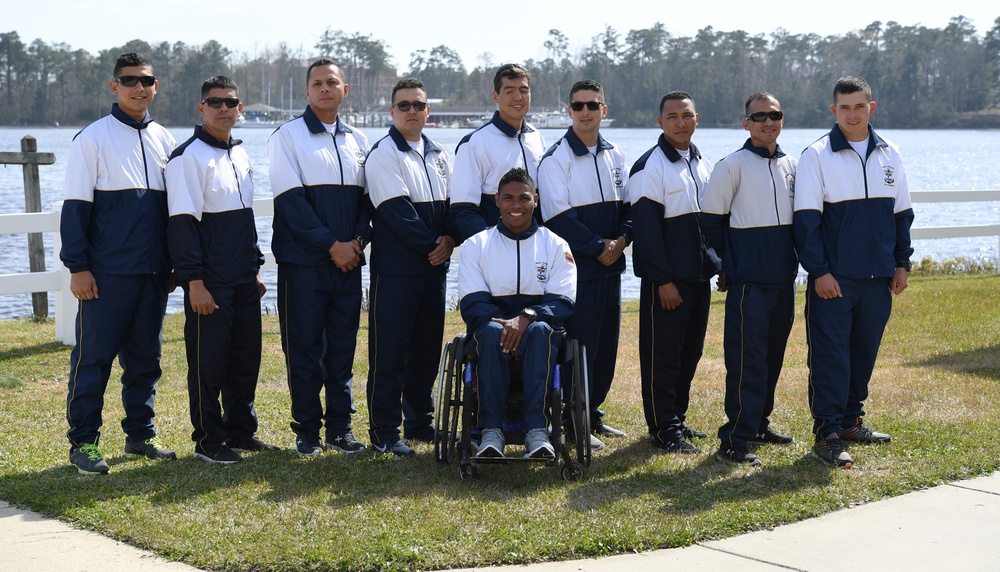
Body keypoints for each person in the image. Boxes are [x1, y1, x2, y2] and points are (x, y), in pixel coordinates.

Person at [60, 52, 177, 475]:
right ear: (114, 87)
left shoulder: (165, 140)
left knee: (146, 359)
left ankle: (140, 436)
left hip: (153, 274)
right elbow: (74, 209)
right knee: (94, 360)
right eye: (128, 80)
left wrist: (173, 265)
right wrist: (78, 267)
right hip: (106, 274)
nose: (138, 87)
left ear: (155, 85)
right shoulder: (92, 138)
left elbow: (173, 212)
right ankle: (83, 443)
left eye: (145, 80)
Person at [793, 75, 913, 468]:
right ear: (834, 111)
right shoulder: (817, 155)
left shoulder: (889, 153)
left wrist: (902, 262)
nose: (852, 113)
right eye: (844, 107)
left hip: (878, 277)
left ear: (871, 108)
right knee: (829, 356)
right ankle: (826, 434)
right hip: (835, 280)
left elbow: (902, 215)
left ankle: (849, 421)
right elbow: (806, 223)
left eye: (859, 106)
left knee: (863, 352)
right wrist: (820, 272)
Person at [166, 75, 276, 464]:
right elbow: (182, 226)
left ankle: (240, 431)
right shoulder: (187, 158)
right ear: (201, 109)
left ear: (240, 108)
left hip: (244, 278)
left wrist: (257, 268)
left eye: (231, 103)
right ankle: (208, 441)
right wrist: (193, 282)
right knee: (208, 364)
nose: (224, 109)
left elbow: (245, 221)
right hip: (209, 281)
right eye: (216, 103)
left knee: (245, 359)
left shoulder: (240, 154)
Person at [268, 59, 371, 457]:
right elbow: (292, 204)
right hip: (304, 266)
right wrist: (332, 246)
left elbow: (370, 202)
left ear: (345, 90)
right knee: (305, 349)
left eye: (332, 82)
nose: (324, 88)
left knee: (342, 351)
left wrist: (356, 243)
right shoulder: (287, 137)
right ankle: (307, 430)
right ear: (307, 92)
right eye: (317, 84)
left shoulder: (360, 141)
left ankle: (340, 430)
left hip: (349, 263)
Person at [701, 92, 797, 466]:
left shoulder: (794, 164)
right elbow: (710, 224)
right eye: (760, 117)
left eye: (775, 115)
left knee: (773, 358)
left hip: (783, 281)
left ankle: (758, 424)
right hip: (749, 284)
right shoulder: (731, 166)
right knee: (746, 361)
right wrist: (725, 266)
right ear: (746, 124)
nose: (768, 122)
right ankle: (735, 437)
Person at [364, 78, 456, 457]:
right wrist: (435, 245)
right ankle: (384, 430)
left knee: (425, 351)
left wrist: (450, 240)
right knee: (390, 354)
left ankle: (419, 421)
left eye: (418, 105)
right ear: (392, 111)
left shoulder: (441, 155)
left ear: (428, 110)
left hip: (434, 272)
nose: (412, 111)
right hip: (397, 272)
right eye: (404, 105)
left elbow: (455, 208)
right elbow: (396, 213)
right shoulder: (383, 154)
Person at [537, 79, 630, 451]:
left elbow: (629, 209)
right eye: (578, 106)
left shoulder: (616, 155)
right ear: (569, 111)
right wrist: (597, 246)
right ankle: (571, 421)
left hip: (612, 267)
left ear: (604, 110)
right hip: (579, 270)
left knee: (606, 348)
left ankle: (592, 414)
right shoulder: (556, 158)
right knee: (580, 348)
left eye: (593, 105)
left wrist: (621, 241)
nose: (586, 111)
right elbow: (557, 218)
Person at [459, 168, 576, 459]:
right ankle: (490, 432)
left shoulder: (556, 244)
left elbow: (563, 301)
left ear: (535, 200)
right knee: (488, 330)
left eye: (523, 198)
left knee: (539, 331)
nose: (516, 205)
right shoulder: (477, 245)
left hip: (540, 336)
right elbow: (472, 304)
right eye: (508, 198)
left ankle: (537, 431)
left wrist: (525, 317)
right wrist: (508, 324)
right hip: (492, 336)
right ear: (497, 200)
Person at [629, 91, 719, 455]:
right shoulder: (649, 166)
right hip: (667, 284)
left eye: (686, 115)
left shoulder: (702, 162)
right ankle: (663, 429)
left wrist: (720, 266)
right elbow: (646, 233)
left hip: (699, 279)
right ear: (660, 122)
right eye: (672, 117)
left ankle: (677, 418)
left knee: (690, 354)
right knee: (662, 358)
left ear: (696, 118)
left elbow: (711, 224)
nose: (680, 122)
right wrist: (662, 280)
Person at [451, 63, 546, 242]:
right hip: (494, 253)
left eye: (524, 90)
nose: (518, 97)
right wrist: (493, 248)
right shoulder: (474, 143)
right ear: (496, 96)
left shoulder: (537, 138)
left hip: (535, 249)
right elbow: (463, 210)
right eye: (509, 91)